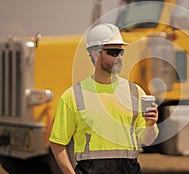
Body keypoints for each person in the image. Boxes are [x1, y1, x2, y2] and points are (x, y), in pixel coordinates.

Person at [49, 23, 159, 174]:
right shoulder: (73, 96)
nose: (120, 57)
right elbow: (57, 144)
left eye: (121, 52)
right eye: (114, 52)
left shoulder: (135, 92)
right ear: (95, 53)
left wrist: (150, 124)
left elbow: (147, 140)